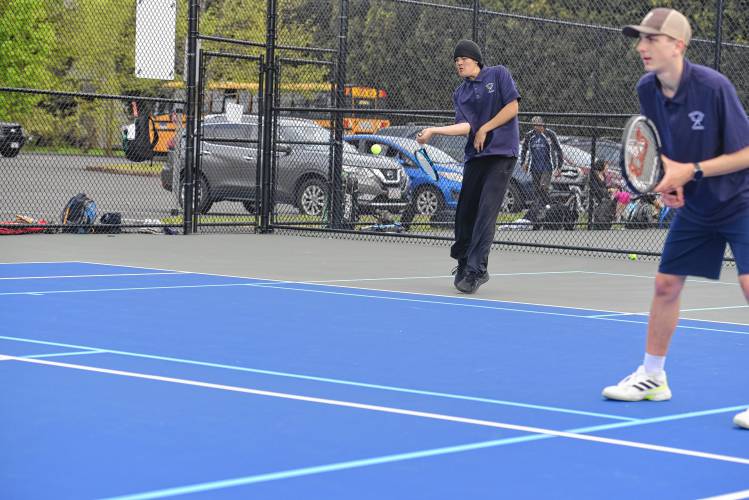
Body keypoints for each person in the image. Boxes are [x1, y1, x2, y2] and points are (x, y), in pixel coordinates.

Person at [601, 8, 749, 430]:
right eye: (640, 39)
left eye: (652, 39)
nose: (642, 47)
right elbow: (661, 145)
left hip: (741, 199)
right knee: (665, 285)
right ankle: (652, 376)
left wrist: (693, 171)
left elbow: (746, 153)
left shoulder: (714, 88)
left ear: (678, 46)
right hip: (697, 206)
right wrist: (668, 179)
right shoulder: (647, 89)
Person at [416, 40, 520, 294]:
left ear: (475, 59)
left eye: (463, 58)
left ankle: (477, 270)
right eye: (455, 61)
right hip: (475, 157)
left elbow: (513, 107)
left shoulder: (498, 74)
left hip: (501, 155)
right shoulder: (460, 93)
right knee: (464, 213)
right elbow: (465, 127)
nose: (459, 63)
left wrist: (485, 127)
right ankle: (464, 261)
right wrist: (432, 131)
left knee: (486, 212)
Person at [520, 116, 563, 203]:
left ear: (542, 124)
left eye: (539, 125)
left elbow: (559, 150)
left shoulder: (550, 134)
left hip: (547, 166)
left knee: (543, 187)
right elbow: (524, 150)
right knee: (536, 190)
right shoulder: (530, 135)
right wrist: (523, 163)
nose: (537, 127)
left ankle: (546, 205)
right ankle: (540, 206)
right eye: (535, 125)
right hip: (534, 167)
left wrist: (559, 167)